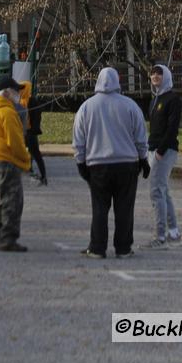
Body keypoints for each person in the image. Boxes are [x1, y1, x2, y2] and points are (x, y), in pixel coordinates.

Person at [73, 67, 149, 260]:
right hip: (126, 163)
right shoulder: (130, 105)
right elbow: (140, 136)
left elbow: (79, 139)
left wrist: (80, 162)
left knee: (99, 207)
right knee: (124, 207)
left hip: (98, 163)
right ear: (118, 81)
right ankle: (123, 248)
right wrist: (143, 158)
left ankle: (97, 247)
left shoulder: (87, 107)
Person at [0, 76, 31, 252]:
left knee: (2, 200)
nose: (18, 95)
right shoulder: (7, 112)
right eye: (15, 91)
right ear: (6, 92)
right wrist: (26, 160)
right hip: (7, 160)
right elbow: (15, 141)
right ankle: (8, 238)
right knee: (13, 201)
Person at [147, 64, 182, 248]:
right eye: (152, 73)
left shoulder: (173, 99)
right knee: (164, 191)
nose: (155, 76)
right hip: (152, 150)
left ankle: (159, 236)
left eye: (159, 73)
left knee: (155, 191)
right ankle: (173, 231)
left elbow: (171, 129)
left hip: (165, 151)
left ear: (166, 76)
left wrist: (160, 151)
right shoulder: (154, 100)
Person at [23, 83, 47, 186]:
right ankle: (31, 169)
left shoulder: (30, 101)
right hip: (27, 132)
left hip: (29, 132)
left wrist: (32, 129)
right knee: (32, 153)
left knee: (35, 153)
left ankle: (42, 175)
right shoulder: (23, 100)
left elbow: (36, 117)